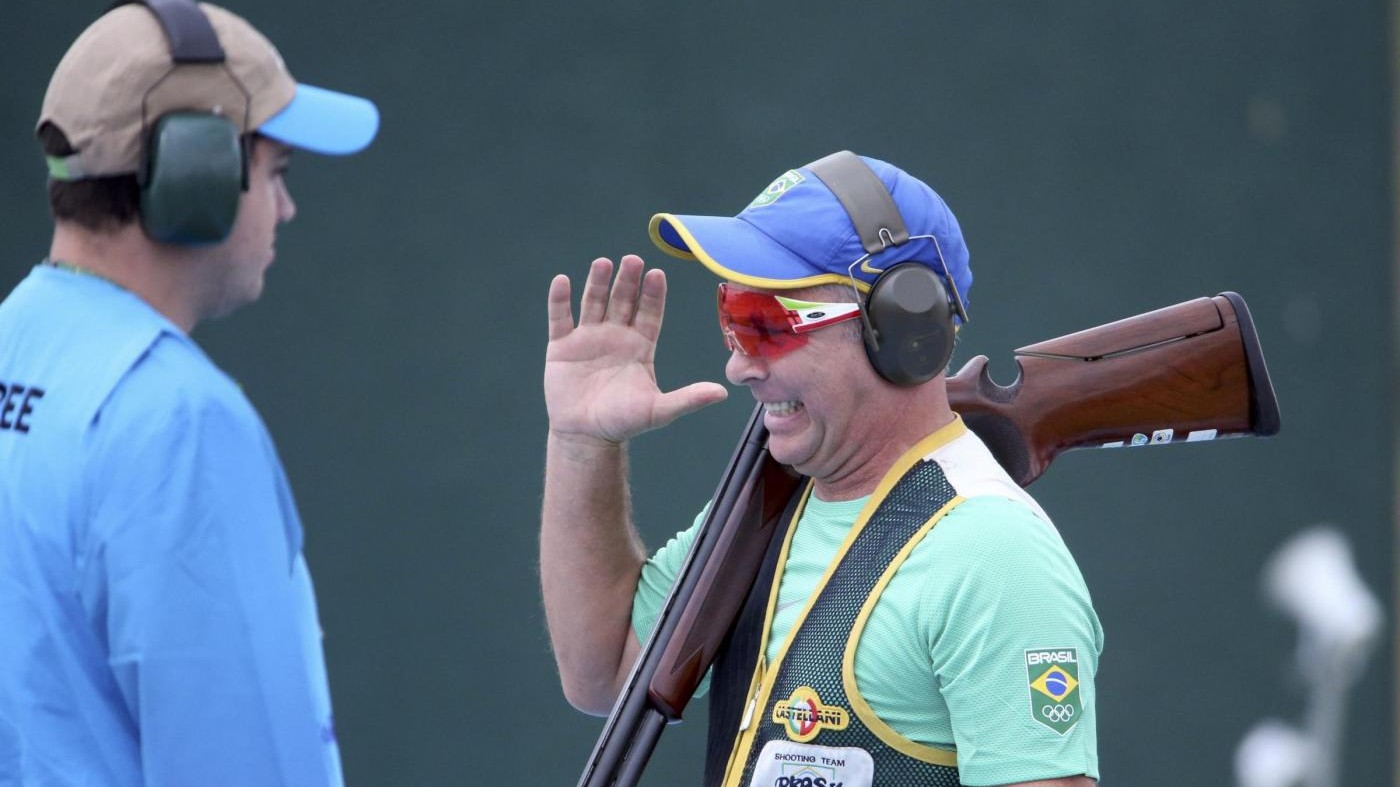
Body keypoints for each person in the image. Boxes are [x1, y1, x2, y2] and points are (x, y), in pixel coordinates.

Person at [541, 151, 1103, 786]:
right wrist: (581, 440)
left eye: (770, 325)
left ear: (901, 328)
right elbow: (606, 671)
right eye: (733, 317)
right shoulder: (768, 515)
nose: (739, 365)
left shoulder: (992, 554)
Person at [0, 2, 378, 785]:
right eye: (274, 171)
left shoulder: (14, 341)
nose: (285, 206)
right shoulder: (179, 421)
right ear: (196, 171)